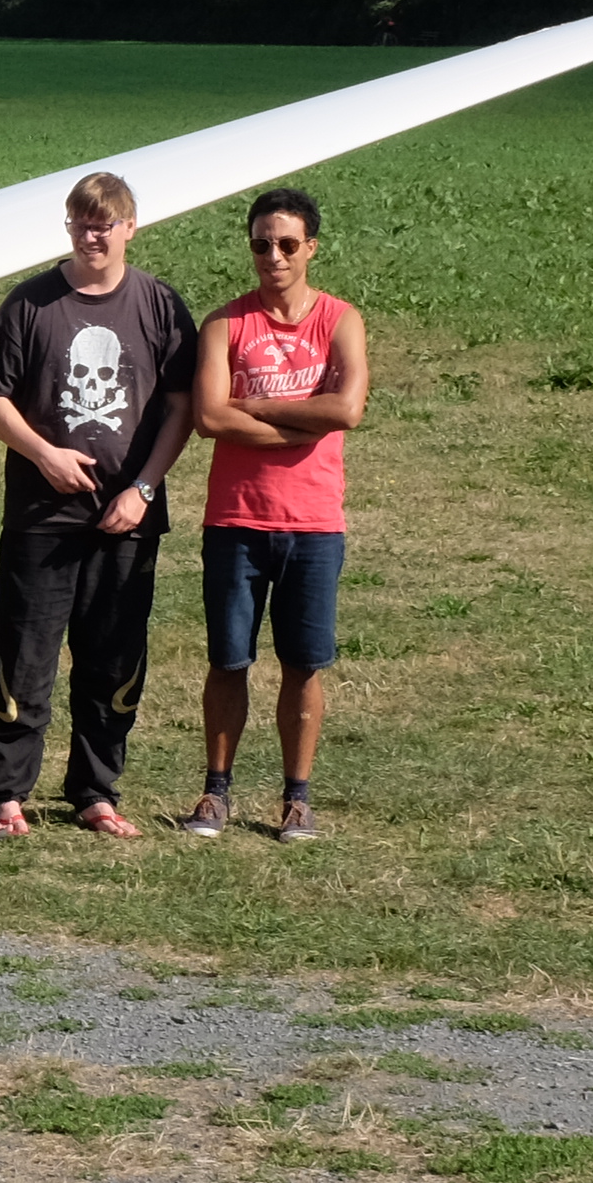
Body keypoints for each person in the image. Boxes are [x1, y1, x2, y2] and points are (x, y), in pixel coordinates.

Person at [0, 172, 198, 841]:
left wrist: (143, 488)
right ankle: (6, 792)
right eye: (81, 224)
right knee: (24, 655)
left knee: (115, 659)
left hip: (127, 515)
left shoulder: (157, 306)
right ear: (69, 228)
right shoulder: (32, 304)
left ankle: (96, 791)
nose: (93, 236)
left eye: (106, 224)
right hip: (42, 516)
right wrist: (44, 454)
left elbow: (183, 406)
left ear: (131, 227)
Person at [180, 186, 370, 844]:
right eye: (262, 244)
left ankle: (296, 798)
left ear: (311, 247)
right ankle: (215, 791)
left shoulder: (341, 320)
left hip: (314, 522)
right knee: (229, 661)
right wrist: (297, 423)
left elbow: (346, 410)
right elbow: (208, 416)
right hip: (237, 519)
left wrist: (253, 408)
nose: (274, 256)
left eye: (288, 244)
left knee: (302, 663)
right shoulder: (225, 324)